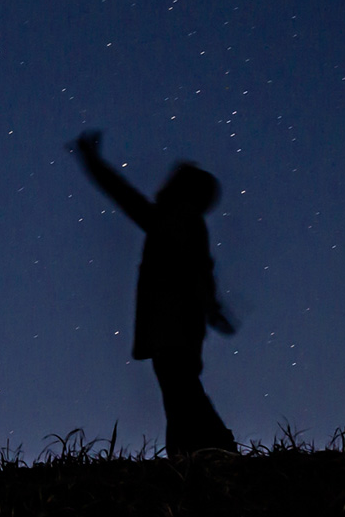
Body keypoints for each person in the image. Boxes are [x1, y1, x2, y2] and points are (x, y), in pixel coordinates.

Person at [70, 130, 237, 455]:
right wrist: (211, 309)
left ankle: (213, 447)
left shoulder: (176, 219)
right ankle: (193, 451)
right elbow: (199, 270)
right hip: (178, 327)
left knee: (180, 389)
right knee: (179, 390)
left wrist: (94, 164)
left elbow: (195, 268)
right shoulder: (180, 219)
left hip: (173, 326)